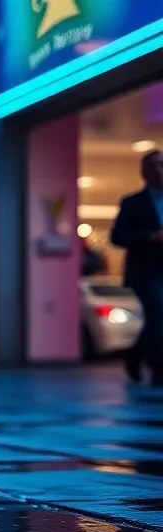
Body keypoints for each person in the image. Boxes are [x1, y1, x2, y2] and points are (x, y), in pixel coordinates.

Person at [111, 149, 163, 385]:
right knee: (158, 312)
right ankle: (158, 369)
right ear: (145, 172)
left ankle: (135, 355)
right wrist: (151, 237)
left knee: (157, 318)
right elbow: (117, 236)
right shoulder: (133, 203)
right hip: (145, 271)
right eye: (156, 165)